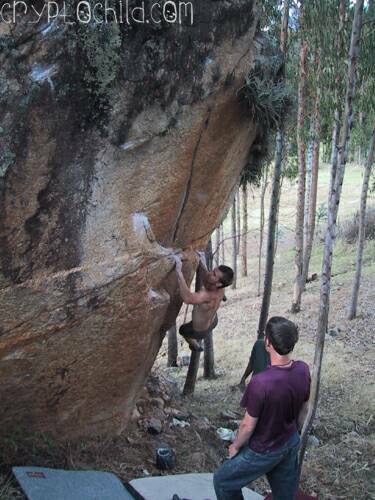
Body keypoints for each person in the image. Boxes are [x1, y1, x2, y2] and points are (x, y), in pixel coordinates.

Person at [214, 316, 311, 500]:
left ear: (267, 342)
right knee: (285, 495)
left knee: (222, 481)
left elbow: (247, 426)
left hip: (264, 449)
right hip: (290, 442)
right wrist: (293, 433)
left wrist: (235, 446)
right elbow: (305, 409)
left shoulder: (261, 382)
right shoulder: (303, 369)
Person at [174, 253, 233, 352]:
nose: (210, 273)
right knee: (212, 286)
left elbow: (188, 298)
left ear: (219, 283)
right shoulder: (221, 288)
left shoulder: (207, 295)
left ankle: (194, 345)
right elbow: (208, 278)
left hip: (200, 331)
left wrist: (179, 271)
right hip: (214, 321)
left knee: (182, 330)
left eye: (214, 274)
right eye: (214, 270)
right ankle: (223, 298)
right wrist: (203, 262)